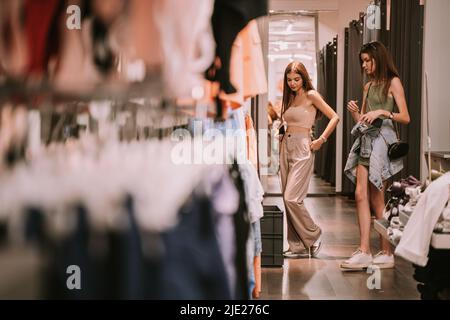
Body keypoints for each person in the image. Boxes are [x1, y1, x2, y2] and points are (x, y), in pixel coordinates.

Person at [342, 41, 410, 270]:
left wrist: (383, 111)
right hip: (366, 142)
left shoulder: (393, 82)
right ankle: (364, 250)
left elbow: (405, 117)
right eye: (362, 62)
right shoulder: (368, 87)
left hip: (382, 144)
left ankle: (386, 252)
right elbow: (363, 121)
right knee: (360, 193)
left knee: (377, 197)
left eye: (367, 60)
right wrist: (355, 113)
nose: (364, 65)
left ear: (378, 59)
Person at [279, 61, 339, 258]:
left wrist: (321, 139)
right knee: (287, 199)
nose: (292, 83)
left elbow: (335, 117)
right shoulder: (290, 97)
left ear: (304, 78)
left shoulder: (311, 95)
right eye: (289, 80)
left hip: (303, 146)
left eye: (296, 79)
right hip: (285, 146)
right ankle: (297, 246)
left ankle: (313, 234)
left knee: (292, 197)